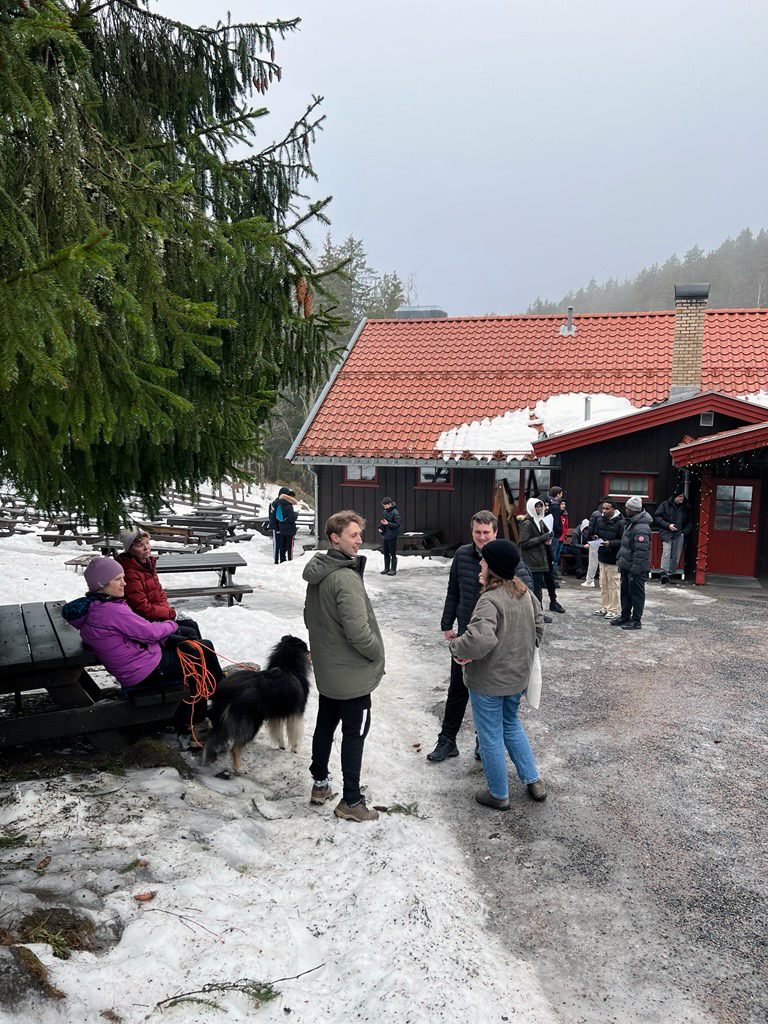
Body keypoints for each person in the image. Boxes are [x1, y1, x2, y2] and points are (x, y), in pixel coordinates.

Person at [427, 509, 537, 764]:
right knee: (457, 689)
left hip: (496, 641)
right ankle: (447, 740)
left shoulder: (508, 558)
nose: (481, 537)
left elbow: (529, 599)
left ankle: (482, 741)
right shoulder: (462, 555)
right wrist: (447, 623)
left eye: (486, 533)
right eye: (477, 532)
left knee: (486, 693)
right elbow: (453, 590)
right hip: (468, 632)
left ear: (495, 533)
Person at [61, 557, 223, 724]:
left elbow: (136, 633)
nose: (124, 583)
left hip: (137, 664)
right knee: (200, 655)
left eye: (123, 578)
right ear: (102, 584)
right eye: (118, 579)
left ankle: (206, 699)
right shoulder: (110, 610)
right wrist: (172, 624)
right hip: (144, 671)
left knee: (193, 645)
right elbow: (150, 633)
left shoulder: (95, 607)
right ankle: (201, 716)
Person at [449, 539, 546, 809]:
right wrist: (520, 651)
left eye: (484, 560)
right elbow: (539, 629)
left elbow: (480, 640)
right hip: (516, 678)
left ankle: (498, 794)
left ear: (492, 567)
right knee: (511, 725)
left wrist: (456, 647)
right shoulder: (525, 592)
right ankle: (533, 781)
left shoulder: (489, 600)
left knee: (490, 733)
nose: (479, 563)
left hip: (489, 682)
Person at [303, 511, 385, 822]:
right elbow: (358, 632)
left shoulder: (320, 572)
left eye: (359, 534)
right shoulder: (345, 577)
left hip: (330, 671)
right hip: (351, 676)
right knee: (354, 733)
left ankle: (320, 784)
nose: (359, 541)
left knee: (326, 723)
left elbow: (310, 618)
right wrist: (376, 652)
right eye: (353, 535)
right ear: (335, 537)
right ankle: (351, 800)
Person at [116, 528, 201, 638]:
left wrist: (167, 614)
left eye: (147, 543)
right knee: (189, 633)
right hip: (145, 623)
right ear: (129, 549)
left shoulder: (147, 563)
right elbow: (142, 608)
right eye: (140, 545)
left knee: (191, 624)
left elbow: (159, 593)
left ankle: (201, 654)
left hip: (157, 616)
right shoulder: (129, 572)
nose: (146, 548)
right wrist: (171, 614)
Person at [518, 498, 565, 615]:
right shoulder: (528, 523)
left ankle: (540, 612)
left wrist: (549, 537)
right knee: (535, 589)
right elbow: (523, 543)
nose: (539, 509)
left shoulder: (539, 521)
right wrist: (543, 538)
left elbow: (545, 535)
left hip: (541, 559)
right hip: (532, 561)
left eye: (540, 506)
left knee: (541, 587)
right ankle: (537, 614)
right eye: (536, 507)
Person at [613, 496, 652, 630]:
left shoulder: (641, 528)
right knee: (625, 592)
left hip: (636, 569)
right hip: (626, 566)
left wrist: (636, 569)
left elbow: (641, 552)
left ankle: (636, 620)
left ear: (633, 510)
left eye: (628, 507)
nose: (626, 509)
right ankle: (625, 616)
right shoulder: (631, 523)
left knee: (636, 594)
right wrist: (620, 560)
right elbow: (625, 546)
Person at [590, 499, 625, 619]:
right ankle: (604, 607)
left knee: (613, 585)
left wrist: (610, 543)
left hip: (614, 558)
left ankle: (613, 609)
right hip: (602, 556)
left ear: (613, 509)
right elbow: (595, 533)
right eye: (603, 508)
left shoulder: (621, 522)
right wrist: (595, 537)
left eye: (607, 509)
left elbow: (623, 541)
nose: (604, 511)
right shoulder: (600, 520)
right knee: (603, 584)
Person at [653, 488, 693, 583]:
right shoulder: (665, 505)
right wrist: (668, 525)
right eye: (680, 496)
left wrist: (684, 532)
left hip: (679, 533)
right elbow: (657, 517)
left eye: (683, 496)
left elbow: (690, 521)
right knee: (666, 553)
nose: (682, 498)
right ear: (675, 497)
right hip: (667, 532)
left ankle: (670, 574)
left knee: (676, 556)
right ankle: (664, 574)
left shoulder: (686, 507)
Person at [268, 487, 299, 564]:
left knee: (281, 544)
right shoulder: (277, 503)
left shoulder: (278, 502)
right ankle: (277, 559)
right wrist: (276, 528)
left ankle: (279, 559)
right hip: (278, 527)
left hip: (280, 527)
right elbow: (272, 517)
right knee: (279, 544)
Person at [580, 504, 603, 588]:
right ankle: (602, 581)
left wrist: (589, 540)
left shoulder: (595, 514)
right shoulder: (613, 514)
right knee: (603, 562)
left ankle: (590, 581)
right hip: (606, 540)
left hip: (595, 540)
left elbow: (591, 528)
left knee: (593, 561)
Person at [378, 497, 401, 576]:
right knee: (386, 552)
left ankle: (393, 569)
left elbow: (397, 525)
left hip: (393, 535)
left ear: (390, 504)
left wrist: (388, 524)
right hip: (386, 535)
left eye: (386, 506)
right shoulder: (385, 512)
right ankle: (386, 568)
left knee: (392, 553)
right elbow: (384, 522)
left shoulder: (395, 512)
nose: (385, 507)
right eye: (384, 506)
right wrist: (381, 528)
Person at [547, 486, 565, 576]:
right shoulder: (555, 506)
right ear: (557, 494)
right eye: (561, 494)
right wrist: (559, 530)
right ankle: (551, 574)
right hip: (554, 534)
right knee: (553, 555)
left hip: (546, 532)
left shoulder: (547, 504)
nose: (561, 496)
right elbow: (556, 522)